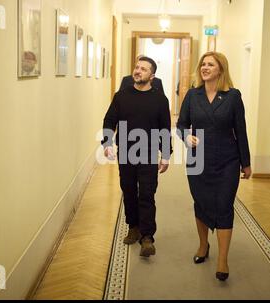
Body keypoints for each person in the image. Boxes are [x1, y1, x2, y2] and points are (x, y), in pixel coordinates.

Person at [176, 52, 251, 281]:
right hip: (197, 160)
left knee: (224, 205)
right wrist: (187, 137)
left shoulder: (233, 96)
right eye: (203, 64)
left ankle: (223, 260)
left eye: (211, 64)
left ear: (221, 69)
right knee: (202, 202)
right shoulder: (192, 95)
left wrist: (246, 163)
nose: (205, 67)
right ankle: (203, 246)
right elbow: (180, 125)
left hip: (227, 159)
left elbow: (241, 131)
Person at [102, 56, 172, 257]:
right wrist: (107, 143)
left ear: (152, 75)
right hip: (126, 151)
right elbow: (109, 121)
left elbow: (164, 130)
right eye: (137, 67)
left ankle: (147, 237)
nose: (138, 71)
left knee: (147, 194)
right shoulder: (121, 96)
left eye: (143, 69)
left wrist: (165, 155)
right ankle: (133, 226)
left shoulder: (160, 99)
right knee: (129, 190)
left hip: (149, 152)